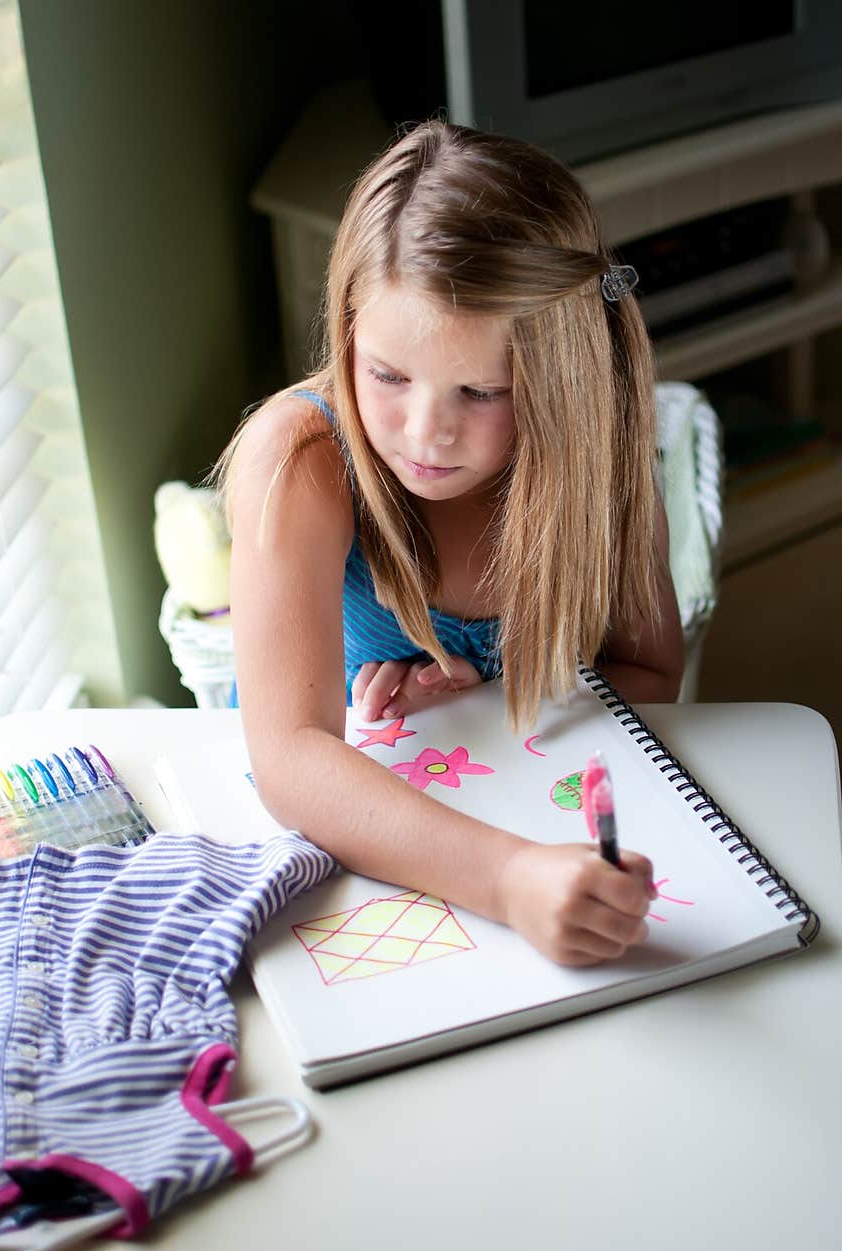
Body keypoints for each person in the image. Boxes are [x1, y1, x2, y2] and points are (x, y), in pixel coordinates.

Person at [215, 120, 684, 967]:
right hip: (337, 878)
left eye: (480, 389)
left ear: (556, 380)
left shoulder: (600, 466)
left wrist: (494, 701)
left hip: (526, 819)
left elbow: (652, 670)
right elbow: (288, 756)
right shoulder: (300, 462)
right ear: (348, 323)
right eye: (389, 375)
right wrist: (510, 880)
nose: (426, 433)